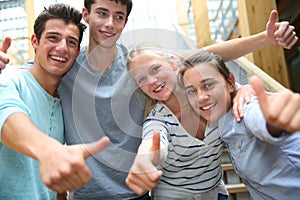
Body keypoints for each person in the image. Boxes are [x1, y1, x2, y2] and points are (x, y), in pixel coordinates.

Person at [0, 0, 298, 198]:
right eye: (102, 13)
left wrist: (264, 39)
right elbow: (27, 75)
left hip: (138, 193)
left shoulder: (137, 65)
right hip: (88, 193)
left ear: (125, 22)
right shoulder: (66, 64)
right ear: (87, 15)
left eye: (118, 17)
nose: (109, 24)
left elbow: (210, 55)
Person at [0, 4, 109, 200]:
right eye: (53, 38)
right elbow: (8, 117)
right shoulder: (9, 79)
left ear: (77, 53)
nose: (62, 48)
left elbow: (58, 190)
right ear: (35, 41)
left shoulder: (62, 104)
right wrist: (49, 150)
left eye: (71, 42)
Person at [179, 51, 300, 200]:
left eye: (208, 85)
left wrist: (274, 124)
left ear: (230, 83)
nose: (201, 97)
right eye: (191, 91)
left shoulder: (247, 107)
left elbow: (260, 119)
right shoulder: (220, 123)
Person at [125, 46, 229, 200]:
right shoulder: (158, 119)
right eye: (142, 79)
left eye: (155, 69)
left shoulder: (208, 98)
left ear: (173, 63)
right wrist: (145, 159)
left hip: (215, 193)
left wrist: (246, 90)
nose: (152, 81)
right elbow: (153, 143)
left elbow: (233, 90)